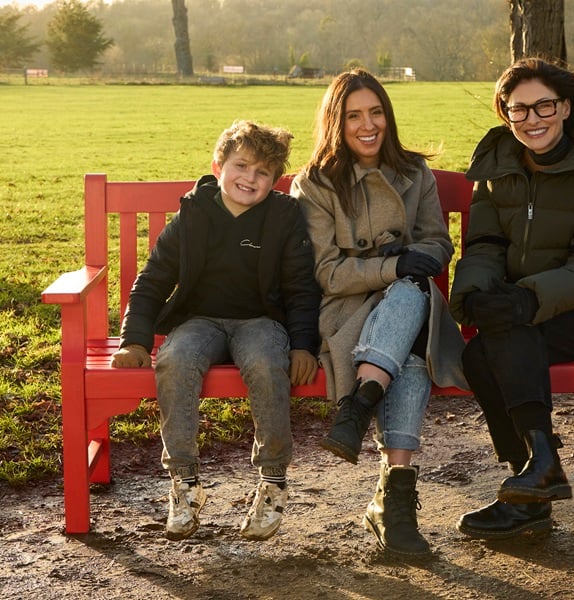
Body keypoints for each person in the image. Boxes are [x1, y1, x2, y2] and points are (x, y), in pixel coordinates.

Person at [110, 120, 321, 542]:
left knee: (265, 362)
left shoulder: (283, 218)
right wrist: (134, 340)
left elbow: (301, 289)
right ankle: (185, 484)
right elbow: (152, 280)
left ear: (275, 181)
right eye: (241, 166)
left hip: (261, 323)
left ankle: (273, 483)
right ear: (218, 165)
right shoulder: (193, 215)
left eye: (263, 172)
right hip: (200, 322)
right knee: (174, 358)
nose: (250, 178)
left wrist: (302, 346)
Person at [449, 57, 574, 540]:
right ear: (505, 114)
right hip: (518, 311)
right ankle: (537, 476)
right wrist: (474, 294)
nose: (532, 119)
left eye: (544, 106)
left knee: (495, 345)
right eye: (518, 109)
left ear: (566, 106)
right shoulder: (496, 171)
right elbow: (485, 247)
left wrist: (526, 301)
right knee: (481, 349)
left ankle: (535, 482)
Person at [291, 69, 468, 557]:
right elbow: (326, 272)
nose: (367, 125)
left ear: (387, 117)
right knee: (408, 336)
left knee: (411, 297)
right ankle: (395, 507)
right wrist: (394, 265)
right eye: (353, 116)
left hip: (404, 303)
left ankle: (359, 410)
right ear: (335, 122)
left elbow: (437, 241)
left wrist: (421, 259)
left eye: (376, 113)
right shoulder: (315, 184)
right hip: (347, 311)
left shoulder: (414, 172)